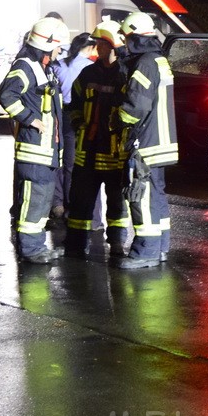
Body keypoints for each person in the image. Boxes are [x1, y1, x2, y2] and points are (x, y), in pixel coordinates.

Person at [0, 16, 69, 264]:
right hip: (34, 150)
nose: (60, 50)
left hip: (46, 150)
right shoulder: (26, 66)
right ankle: (30, 250)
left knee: (40, 202)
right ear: (47, 44)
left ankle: (36, 248)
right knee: (33, 202)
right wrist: (30, 118)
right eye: (58, 46)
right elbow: (6, 95)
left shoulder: (43, 67)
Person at [113, 12, 178, 268]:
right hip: (162, 141)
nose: (125, 44)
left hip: (146, 142)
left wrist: (117, 119)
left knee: (142, 196)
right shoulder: (159, 59)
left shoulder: (145, 63)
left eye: (126, 39)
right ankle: (160, 247)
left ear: (134, 37)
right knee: (156, 195)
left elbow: (136, 106)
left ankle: (145, 252)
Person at [64, 21, 131, 259]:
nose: (96, 49)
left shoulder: (125, 74)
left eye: (101, 44)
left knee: (116, 202)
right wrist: (77, 121)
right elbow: (74, 103)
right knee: (80, 200)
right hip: (88, 148)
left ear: (112, 46)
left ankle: (117, 244)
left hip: (114, 151)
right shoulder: (87, 73)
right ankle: (74, 246)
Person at [50, 32, 97, 219]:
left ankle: (57, 202)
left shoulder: (60, 65)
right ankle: (71, 204)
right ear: (91, 48)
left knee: (60, 159)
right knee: (73, 162)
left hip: (61, 114)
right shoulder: (89, 68)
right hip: (80, 115)